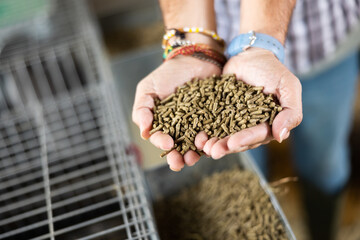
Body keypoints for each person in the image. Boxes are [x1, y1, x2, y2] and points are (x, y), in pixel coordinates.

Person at [132, 0, 360, 239]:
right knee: (244, 164)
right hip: (224, 42)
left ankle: (324, 231)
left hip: (323, 40)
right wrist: (192, 45)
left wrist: (261, 42)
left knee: (325, 161)